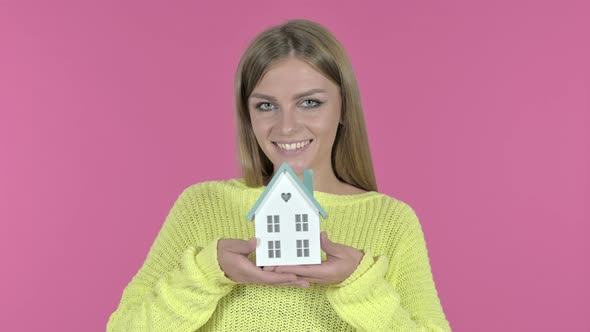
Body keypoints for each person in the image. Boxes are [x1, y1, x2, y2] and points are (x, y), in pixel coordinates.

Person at [107, 19, 452, 331]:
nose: (287, 126)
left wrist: (359, 284)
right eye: (266, 106)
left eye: (310, 103)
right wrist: (207, 273)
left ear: (344, 108)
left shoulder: (391, 221)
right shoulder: (201, 206)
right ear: (248, 115)